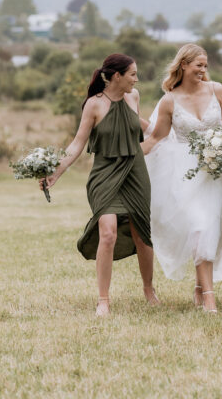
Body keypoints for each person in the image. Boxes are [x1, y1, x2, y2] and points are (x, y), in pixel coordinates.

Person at [42, 54, 157, 316]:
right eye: (132, 74)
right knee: (108, 232)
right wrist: (56, 173)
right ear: (117, 76)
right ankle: (103, 299)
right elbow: (77, 144)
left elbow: (138, 131)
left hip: (135, 173)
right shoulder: (93, 105)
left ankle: (149, 289)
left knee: (142, 234)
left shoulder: (133, 97)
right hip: (105, 175)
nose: (136, 79)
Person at [142, 44, 222, 313]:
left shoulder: (217, 90)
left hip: (218, 171)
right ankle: (209, 295)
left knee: (211, 227)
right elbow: (156, 137)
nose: (203, 70)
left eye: (205, 66)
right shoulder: (169, 101)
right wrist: (127, 158)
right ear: (183, 65)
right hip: (184, 172)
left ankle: (200, 285)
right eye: (198, 65)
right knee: (199, 227)